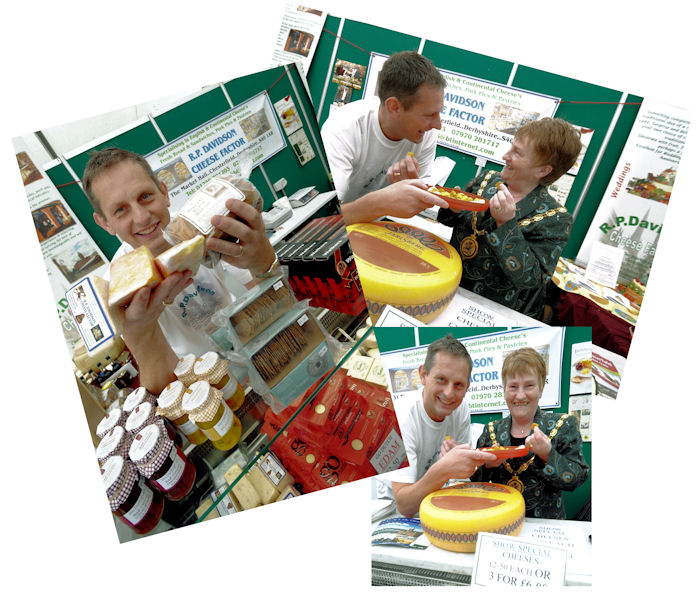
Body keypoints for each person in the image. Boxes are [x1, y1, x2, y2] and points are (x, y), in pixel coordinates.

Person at [83, 147, 278, 393]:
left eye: (145, 196)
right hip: (212, 395)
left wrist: (264, 261)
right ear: (104, 223)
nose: (142, 217)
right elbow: (164, 392)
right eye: (120, 210)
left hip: (264, 349)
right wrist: (140, 335)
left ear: (164, 193)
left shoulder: (205, 226)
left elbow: (269, 296)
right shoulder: (116, 292)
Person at [437, 117, 582, 320]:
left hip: (485, 312)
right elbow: (450, 223)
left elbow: (532, 279)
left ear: (543, 170)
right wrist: (452, 209)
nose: (505, 156)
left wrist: (505, 224)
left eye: (517, 153)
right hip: (443, 287)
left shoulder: (555, 219)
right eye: (510, 147)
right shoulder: (486, 180)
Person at [321, 50, 449, 225]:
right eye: (429, 115)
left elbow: (421, 197)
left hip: (375, 227)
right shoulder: (343, 129)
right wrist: (384, 202)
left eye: (439, 113)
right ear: (394, 107)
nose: (437, 125)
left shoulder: (425, 134)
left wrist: (411, 192)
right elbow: (322, 219)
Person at [473, 347, 589, 519]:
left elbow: (576, 480)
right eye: (513, 387)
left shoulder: (563, 425)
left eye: (529, 386)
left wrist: (548, 455)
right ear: (504, 390)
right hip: (500, 521)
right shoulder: (491, 431)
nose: (520, 395)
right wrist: (489, 464)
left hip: (547, 527)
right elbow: (475, 481)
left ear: (541, 388)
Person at [390, 335, 496, 517]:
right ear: (423, 375)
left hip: (430, 507)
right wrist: (444, 469)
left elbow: (459, 478)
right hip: (387, 512)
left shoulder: (461, 408)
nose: (449, 393)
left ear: (467, 386)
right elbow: (404, 506)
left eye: (458, 385)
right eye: (441, 379)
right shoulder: (401, 418)